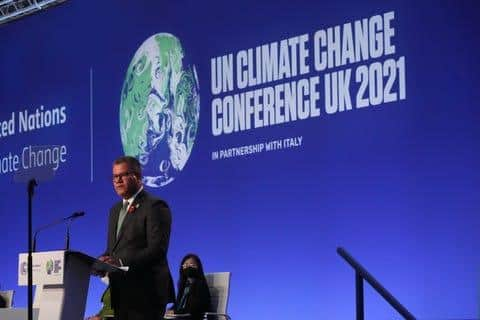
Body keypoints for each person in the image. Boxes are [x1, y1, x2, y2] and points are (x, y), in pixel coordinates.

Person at [98, 156, 175, 320]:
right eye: (114, 176)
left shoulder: (155, 206)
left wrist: (119, 262)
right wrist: (100, 263)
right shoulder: (115, 210)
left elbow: (157, 250)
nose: (117, 180)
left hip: (147, 294)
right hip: (122, 292)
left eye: (123, 175)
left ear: (138, 177)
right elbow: (114, 249)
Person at [166, 254, 211, 320]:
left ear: (198, 267)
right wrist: (170, 310)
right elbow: (178, 304)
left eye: (192, 264)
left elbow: (196, 307)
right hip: (180, 317)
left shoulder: (201, 284)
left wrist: (176, 312)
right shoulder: (184, 285)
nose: (188, 267)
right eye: (186, 265)